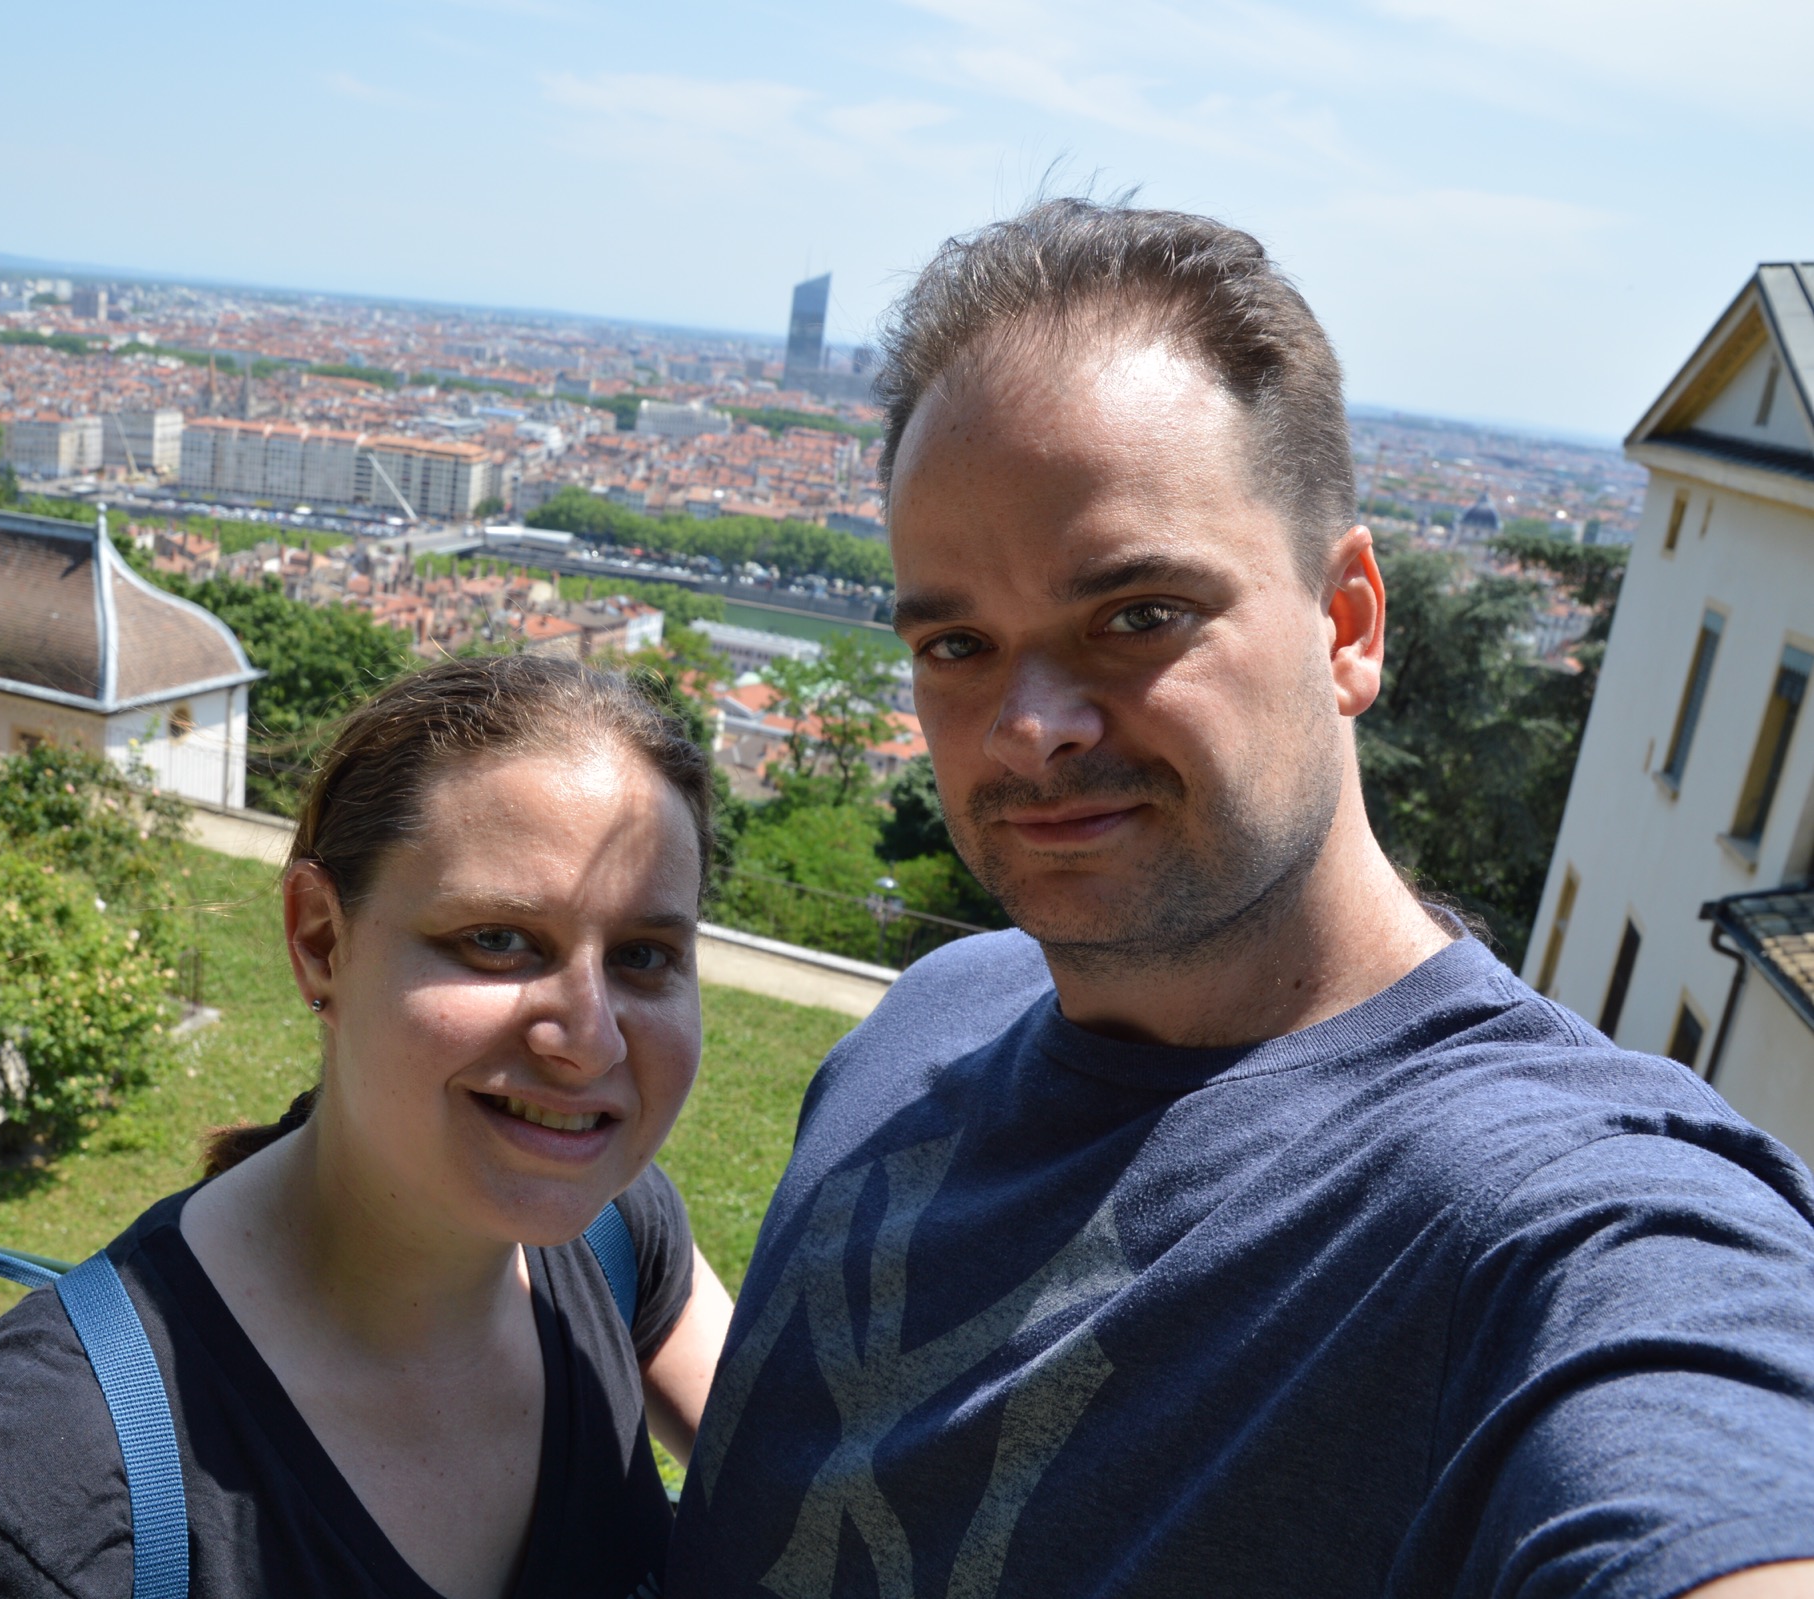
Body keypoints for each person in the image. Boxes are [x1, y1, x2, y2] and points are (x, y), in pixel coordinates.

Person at [665, 199, 1814, 1599]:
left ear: (1346, 622)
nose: (1030, 727)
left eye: (1137, 614)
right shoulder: (914, 1028)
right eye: (957, 641)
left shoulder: (1553, 1215)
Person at [0, 654, 735, 1599]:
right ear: (320, 939)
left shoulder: (617, 1236)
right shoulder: (28, 1505)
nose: (589, 1040)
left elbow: (828, 1491)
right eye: (497, 940)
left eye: (644, 955)